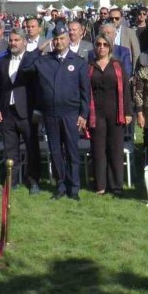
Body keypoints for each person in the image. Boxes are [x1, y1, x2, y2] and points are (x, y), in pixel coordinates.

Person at [21, 23, 90, 201]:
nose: (59, 42)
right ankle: (60, 185)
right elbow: (25, 67)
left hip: (71, 114)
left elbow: (85, 92)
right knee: (56, 152)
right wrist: (39, 49)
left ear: (69, 39)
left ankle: (74, 188)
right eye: (56, 39)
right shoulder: (44, 60)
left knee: (72, 151)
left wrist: (84, 114)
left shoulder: (78, 62)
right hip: (50, 114)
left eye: (62, 38)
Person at [0, 29, 41, 193]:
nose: (13, 43)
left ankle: (33, 181)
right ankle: (11, 182)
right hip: (7, 112)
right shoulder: (2, 61)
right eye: (11, 40)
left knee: (31, 148)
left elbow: (38, 87)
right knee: (10, 150)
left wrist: (37, 110)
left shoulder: (32, 60)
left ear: (24, 42)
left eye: (16, 40)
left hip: (27, 112)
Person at [87, 34, 133, 196]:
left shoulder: (117, 65)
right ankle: (100, 184)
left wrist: (128, 112)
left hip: (116, 113)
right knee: (98, 150)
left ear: (110, 47)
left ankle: (116, 185)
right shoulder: (90, 66)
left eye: (105, 45)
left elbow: (126, 90)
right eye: (98, 44)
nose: (101, 47)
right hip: (96, 113)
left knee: (115, 149)